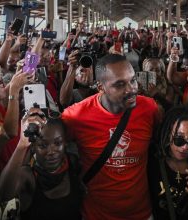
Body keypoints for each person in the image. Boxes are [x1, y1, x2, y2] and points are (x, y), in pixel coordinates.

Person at [62, 54, 159, 219]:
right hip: (96, 214)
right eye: (120, 84)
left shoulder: (149, 109)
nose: (131, 89)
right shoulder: (76, 116)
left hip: (141, 213)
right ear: (101, 87)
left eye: (133, 80)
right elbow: (54, 151)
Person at [0, 109, 82, 219]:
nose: (51, 151)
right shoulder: (27, 176)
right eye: (43, 145)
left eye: (58, 143)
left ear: (65, 142)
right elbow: (3, 195)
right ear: (33, 146)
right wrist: (22, 145)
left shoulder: (73, 163)